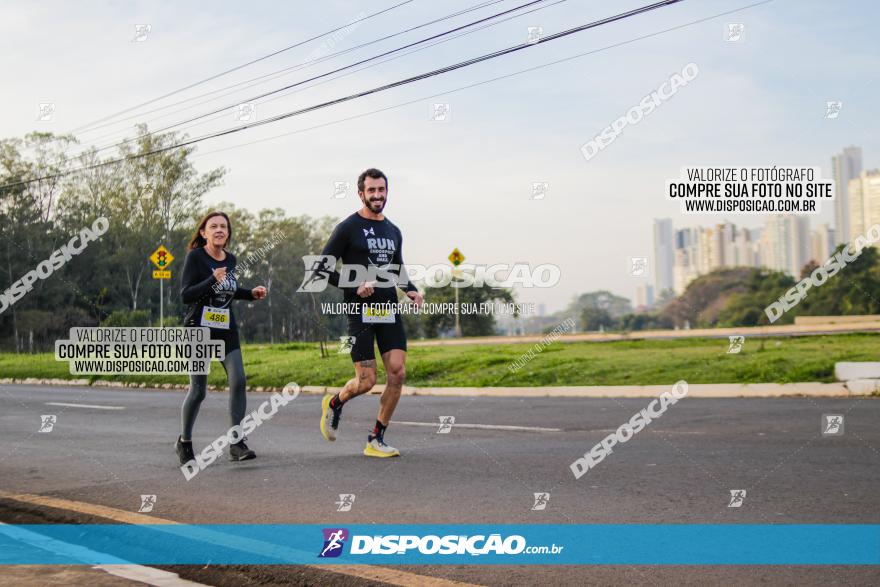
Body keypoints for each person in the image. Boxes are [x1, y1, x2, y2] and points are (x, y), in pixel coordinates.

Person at [316, 168, 423, 457]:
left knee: (398, 373)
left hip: (388, 309)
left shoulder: (393, 231)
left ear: (387, 192)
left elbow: (398, 270)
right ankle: (336, 402)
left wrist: (411, 290)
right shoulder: (347, 228)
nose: (377, 195)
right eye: (372, 190)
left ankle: (376, 438)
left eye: (382, 190)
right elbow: (321, 269)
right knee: (366, 381)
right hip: (360, 312)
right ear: (361, 193)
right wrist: (354, 284)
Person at [176, 211, 267, 465]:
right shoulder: (195, 258)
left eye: (223, 227)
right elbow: (186, 294)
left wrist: (251, 294)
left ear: (228, 233)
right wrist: (210, 280)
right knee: (198, 391)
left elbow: (229, 290)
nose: (219, 230)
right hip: (198, 329)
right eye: (213, 226)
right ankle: (184, 442)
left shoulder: (231, 259)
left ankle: (236, 443)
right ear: (203, 232)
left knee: (238, 380)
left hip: (225, 328)